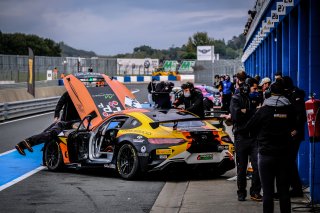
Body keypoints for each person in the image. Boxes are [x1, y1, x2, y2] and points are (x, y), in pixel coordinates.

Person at [243, 79, 295, 213]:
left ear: (270, 93)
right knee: (284, 192)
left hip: (266, 155)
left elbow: (249, 127)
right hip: (284, 155)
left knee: (267, 193)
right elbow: (295, 125)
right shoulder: (290, 109)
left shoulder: (263, 110)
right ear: (284, 93)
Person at [229, 74, 262, 202]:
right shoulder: (236, 98)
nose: (256, 91)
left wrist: (246, 111)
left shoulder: (258, 97)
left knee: (257, 167)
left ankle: (255, 192)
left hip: (255, 138)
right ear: (248, 87)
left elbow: (260, 115)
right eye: (254, 89)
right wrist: (252, 111)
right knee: (241, 169)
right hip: (241, 138)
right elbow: (236, 115)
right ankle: (241, 192)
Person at [283, 76, 307, 197]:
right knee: (289, 161)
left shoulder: (296, 95)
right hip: (290, 133)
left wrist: (296, 129)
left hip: (294, 134)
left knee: (288, 161)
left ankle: (295, 189)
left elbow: (300, 114)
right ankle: (293, 188)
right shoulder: (289, 93)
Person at [15, 120, 79, 156]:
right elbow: (73, 125)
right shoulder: (81, 121)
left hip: (61, 128)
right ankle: (27, 141)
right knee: (48, 135)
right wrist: (78, 128)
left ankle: (21, 146)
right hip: (60, 126)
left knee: (44, 137)